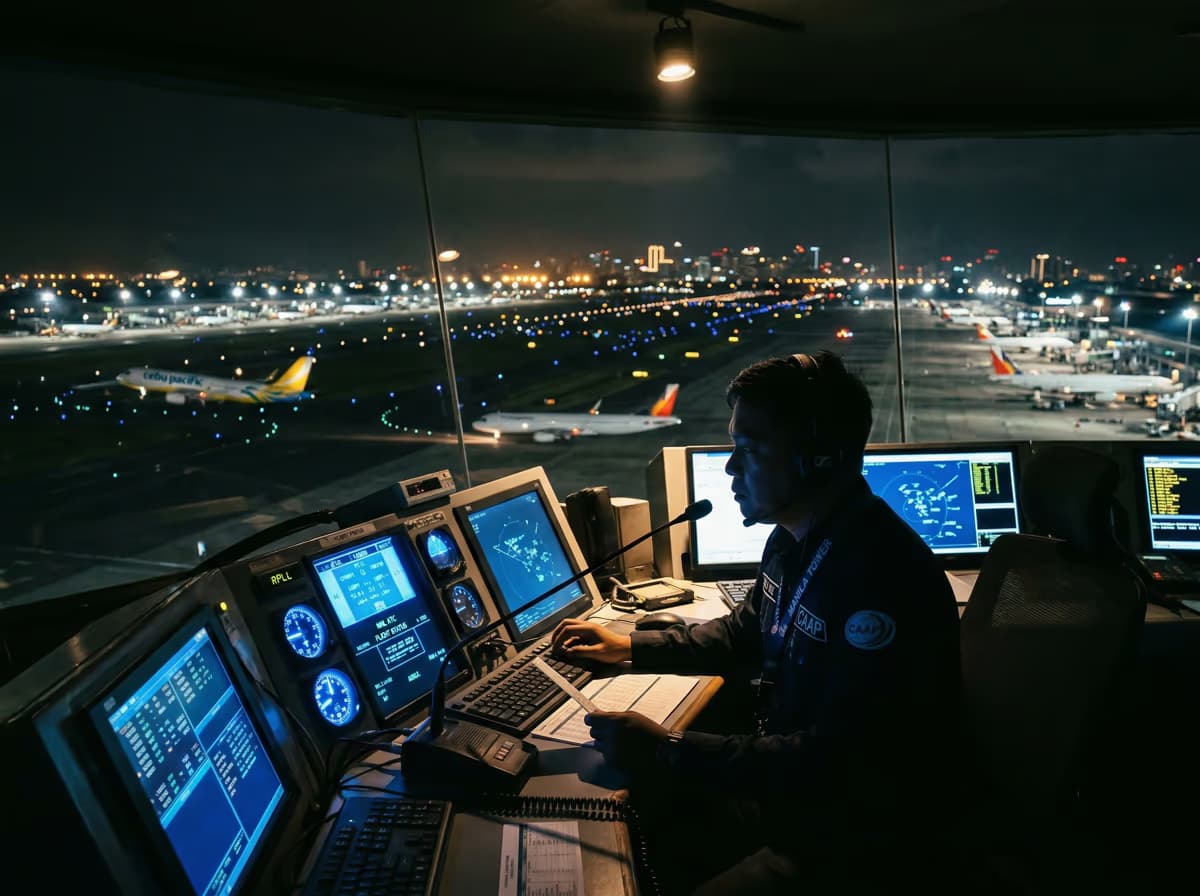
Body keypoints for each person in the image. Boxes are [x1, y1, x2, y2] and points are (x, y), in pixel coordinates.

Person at [551, 351, 962, 894]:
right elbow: (745, 632)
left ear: (815, 458)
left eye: (749, 449)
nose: (730, 468)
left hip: (850, 836)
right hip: (789, 793)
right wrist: (629, 645)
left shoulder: (880, 578)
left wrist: (670, 748)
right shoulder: (792, 540)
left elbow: (841, 760)